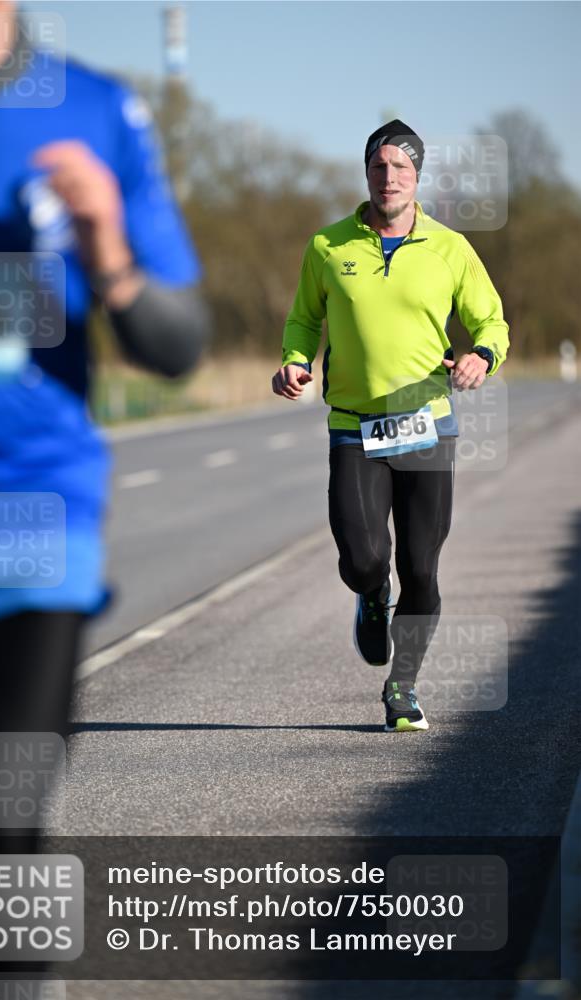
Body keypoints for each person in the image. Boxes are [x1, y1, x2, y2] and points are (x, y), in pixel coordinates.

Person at [0, 0, 209, 970]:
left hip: (27, 518)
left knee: (0, 835)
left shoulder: (93, 113)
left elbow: (176, 346)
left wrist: (107, 253)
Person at [272, 119, 509, 733]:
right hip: (354, 427)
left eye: (401, 167)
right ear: (366, 173)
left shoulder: (451, 248)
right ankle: (370, 595)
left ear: (417, 176)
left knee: (423, 569)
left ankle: (402, 688)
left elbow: (492, 323)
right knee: (363, 559)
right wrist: (295, 362)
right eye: (379, 167)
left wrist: (482, 356)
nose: (389, 177)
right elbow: (302, 321)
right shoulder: (328, 247)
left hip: (428, 425)